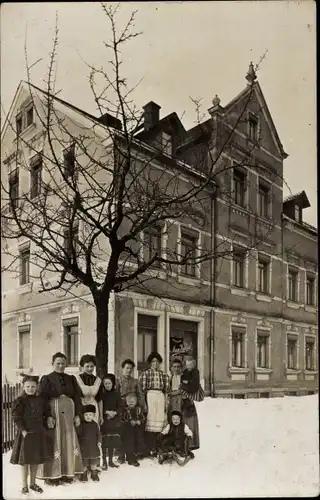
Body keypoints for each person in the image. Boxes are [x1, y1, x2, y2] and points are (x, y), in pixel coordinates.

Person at [36, 352, 84, 486]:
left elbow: (77, 398)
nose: (61, 366)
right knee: (55, 440)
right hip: (54, 414)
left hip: (69, 415)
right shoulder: (47, 379)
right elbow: (43, 399)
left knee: (68, 440)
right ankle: (53, 475)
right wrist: (48, 416)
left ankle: (68, 472)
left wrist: (77, 415)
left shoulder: (71, 379)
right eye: (58, 363)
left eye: (63, 363)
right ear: (52, 364)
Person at [10, 374, 53, 495]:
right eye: (28, 386)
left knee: (35, 460)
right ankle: (24, 486)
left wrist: (49, 418)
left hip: (38, 432)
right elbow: (16, 417)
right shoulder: (20, 401)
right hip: (26, 433)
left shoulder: (41, 400)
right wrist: (23, 430)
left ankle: (33, 483)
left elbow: (46, 412)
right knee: (25, 461)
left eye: (33, 386)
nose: (30, 389)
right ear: (23, 387)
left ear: (37, 387)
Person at [138, 351, 170, 455]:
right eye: (153, 361)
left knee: (160, 422)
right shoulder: (145, 374)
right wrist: (145, 404)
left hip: (160, 397)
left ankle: (158, 446)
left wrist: (166, 403)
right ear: (150, 363)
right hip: (150, 397)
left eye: (157, 361)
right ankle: (150, 447)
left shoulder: (164, 375)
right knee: (150, 422)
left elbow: (166, 391)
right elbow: (142, 391)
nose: (155, 363)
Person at [117, 359, 146, 464]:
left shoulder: (135, 381)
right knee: (122, 431)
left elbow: (140, 395)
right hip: (122, 408)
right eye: (127, 368)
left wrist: (143, 406)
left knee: (133, 432)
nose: (129, 370)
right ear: (123, 369)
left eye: (131, 368)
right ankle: (121, 454)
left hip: (133, 408)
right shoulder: (118, 380)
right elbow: (116, 395)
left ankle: (132, 454)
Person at [180, 357, 202, 456]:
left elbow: (194, 383)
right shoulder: (184, 372)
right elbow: (182, 380)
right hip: (183, 395)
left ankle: (190, 446)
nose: (189, 367)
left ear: (194, 365)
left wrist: (187, 384)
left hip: (190, 393)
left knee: (189, 422)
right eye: (187, 365)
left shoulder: (195, 372)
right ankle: (181, 446)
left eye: (191, 365)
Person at [100, 374, 122, 470]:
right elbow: (100, 406)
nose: (107, 385)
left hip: (114, 420)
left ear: (113, 383)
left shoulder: (117, 394)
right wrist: (106, 412)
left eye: (109, 383)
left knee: (112, 441)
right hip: (105, 420)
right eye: (105, 383)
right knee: (105, 441)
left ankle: (110, 461)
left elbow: (120, 406)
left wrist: (115, 412)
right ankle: (104, 461)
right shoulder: (102, 395)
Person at [74, 354, 103, 424]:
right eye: (87, 366)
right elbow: (75, 397)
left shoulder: (98, 380)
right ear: (82, 367)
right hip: (81, 407)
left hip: (94, 409)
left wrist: (101, 416)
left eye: (92, 366)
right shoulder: (77, 379)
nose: (90, 369)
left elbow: (99, 400)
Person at [77, 405, 102, 483]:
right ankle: (84, 475)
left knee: (93, 462)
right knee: (84, 463)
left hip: (93, 447)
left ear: (94, 415)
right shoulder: (81, 425)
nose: (88, 416)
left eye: (90, 415)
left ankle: (94, 474)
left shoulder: (95, 424)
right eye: (86, 415)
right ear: (83, 416)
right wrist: (78, 426)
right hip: (84, 447)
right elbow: (78, 433)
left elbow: (99, 434)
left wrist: (99, 441)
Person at [120, 393, 146, 467]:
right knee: (129, 442)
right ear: (126, 402)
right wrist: (129, 421)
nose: (131, 403)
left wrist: (139, 421)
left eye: (133, 401)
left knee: (137, 441)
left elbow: (143, 418)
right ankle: (129, 458)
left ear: (136, 402)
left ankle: (135, 455)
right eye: (129, 401)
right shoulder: (125, 410)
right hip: (128, 430)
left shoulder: (139, 409)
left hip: (137, 430)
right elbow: (122, 419)